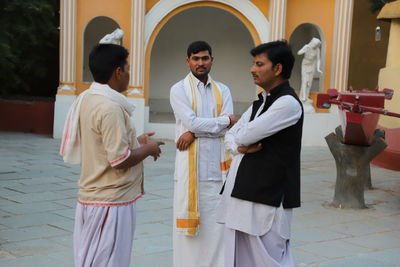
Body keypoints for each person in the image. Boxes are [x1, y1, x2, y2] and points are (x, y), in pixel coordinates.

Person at [60, 43, 164, 267]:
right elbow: (119, 160)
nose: (129, 75)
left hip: (94, 197)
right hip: (110, 201)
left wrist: (137, 142)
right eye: (127, 69)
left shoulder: (88, 98)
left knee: (92, 259)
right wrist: (148, 149)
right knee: (108, 261)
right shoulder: (110, 107)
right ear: (118, 72)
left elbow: (102, 145)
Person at [217, 40, 303, 267]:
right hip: (243, 193)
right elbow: (231, 137)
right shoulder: (261, 102)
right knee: (239, 259)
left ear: (278, 68)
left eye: (259, 64)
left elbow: (243, 135)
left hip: (268, 198)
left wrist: (240, 141)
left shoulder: (287, 104)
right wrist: (239, 147)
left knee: (267, 260)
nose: (252, 69)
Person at [169, 41, 237, 267]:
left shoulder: (223, 90)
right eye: (196, 59)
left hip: (219, 173)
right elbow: (193, 121)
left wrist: (194, 132)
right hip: (192, 173)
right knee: (189, 236)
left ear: (212, 60)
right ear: (187, 61)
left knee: (218, 229)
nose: (201, 63)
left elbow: (219, 126)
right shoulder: (178, 89)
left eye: (205, 58)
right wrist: (220, 122)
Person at [298, 37, 322, 103]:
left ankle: (306, 96)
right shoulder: (307, 46)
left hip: (312, 65)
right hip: (305, 64)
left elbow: (318, 59)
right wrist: (304, 50)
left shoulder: (317, 50)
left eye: (315, 45)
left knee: (309, 83)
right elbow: (299, 53)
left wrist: (318, 68)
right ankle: (303, 97)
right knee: (305, 81)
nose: (314, 45)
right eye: (314, 44)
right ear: (312, 42)